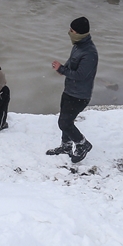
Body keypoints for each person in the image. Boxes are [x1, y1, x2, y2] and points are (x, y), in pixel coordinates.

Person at [48, 18, 99, 162]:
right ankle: (66, 146)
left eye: (72, 31)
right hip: (70, 90)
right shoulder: (78, 46)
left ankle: (83, 144)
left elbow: (81, 75)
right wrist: (62, 69)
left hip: (80, 95)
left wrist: (63, 70)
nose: (69, 33)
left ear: (79, 33)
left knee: (64, 123)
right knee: (65, 119)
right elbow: (72, 65)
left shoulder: (89, 53)